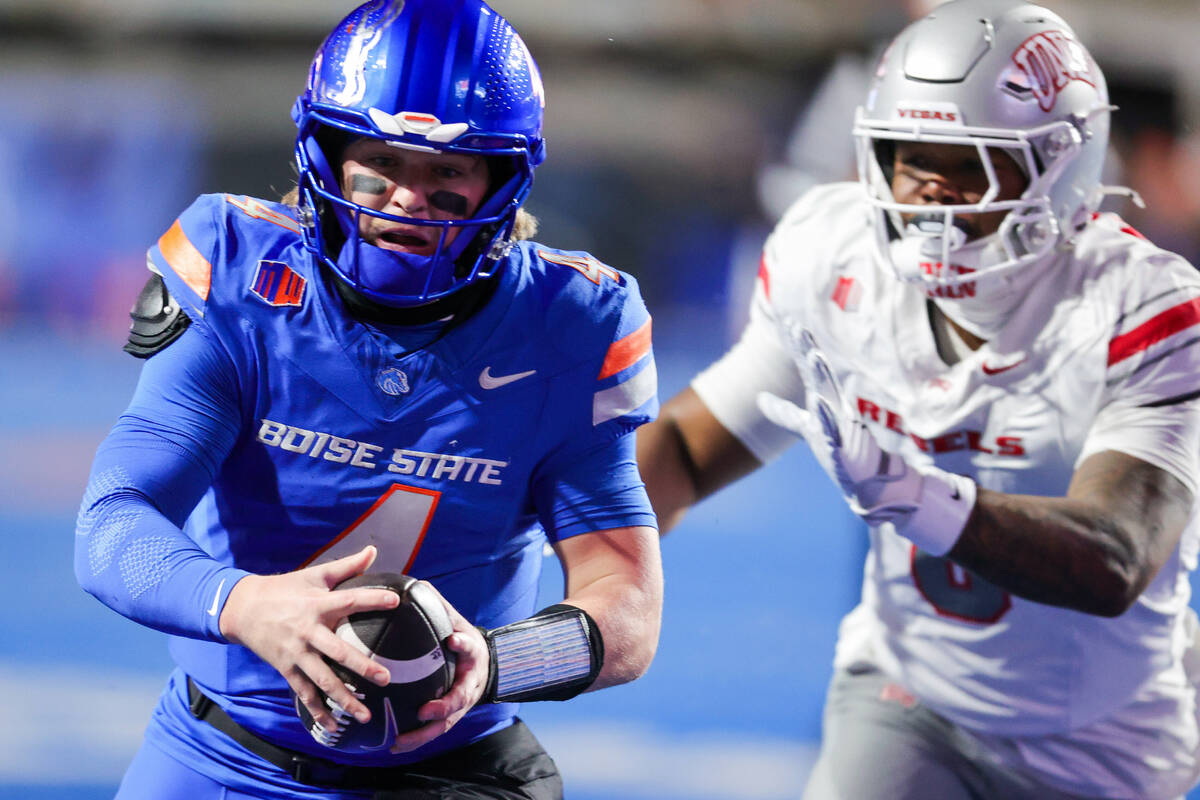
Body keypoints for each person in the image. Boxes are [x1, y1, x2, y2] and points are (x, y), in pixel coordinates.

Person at [75, 1, 663, 798]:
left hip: (450, 767)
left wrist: (494, 662)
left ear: (502, 177)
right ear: (327, 155)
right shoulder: (241, 278)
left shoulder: (570, 325)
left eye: (448, 170)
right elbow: (112, 522)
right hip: (220, 756)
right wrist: (244, 604)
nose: (408, 198)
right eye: (381, 158)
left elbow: (626, 607)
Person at [637, 1, 1200, 798]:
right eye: (912, 158)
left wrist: (915, 496)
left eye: (971, 163)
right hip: (909, 695)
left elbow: (1115, 557)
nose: (932, 195)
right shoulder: (835, 257)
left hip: (1104, 735)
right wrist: (547, 524)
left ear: (1062, 167)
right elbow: (689, 449)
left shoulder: (1140, 303)